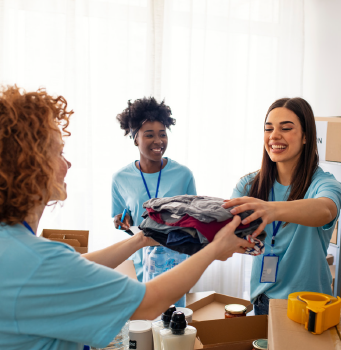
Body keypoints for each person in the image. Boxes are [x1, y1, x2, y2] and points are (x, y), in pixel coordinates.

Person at [0, 86, 255, 350]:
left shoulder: (14, 246)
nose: (68, 164)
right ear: (30, 164)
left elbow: (72, 265)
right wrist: (215, 249)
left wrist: (141, 239)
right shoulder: (36, 261)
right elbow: (147, 303)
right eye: (59, 152)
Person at [223, 97, 341, 315]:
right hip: (263, 302)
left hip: (310, 306)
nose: (274, 136)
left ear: (306, 136)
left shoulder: (325, 184)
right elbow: (227, 229)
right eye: (268, 129)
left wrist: (271, 209)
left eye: (286, 128)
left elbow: (325, 210)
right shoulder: (248, 185)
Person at [112, 97, 196, 282]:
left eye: (163, 134)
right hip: (137, 268)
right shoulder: (120, 178)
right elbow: (120, 219)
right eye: (149, 135)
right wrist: (121, 221)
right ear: (135, 138)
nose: (158, 141)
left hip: (175, 267)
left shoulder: (184, 175)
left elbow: (195, 222)